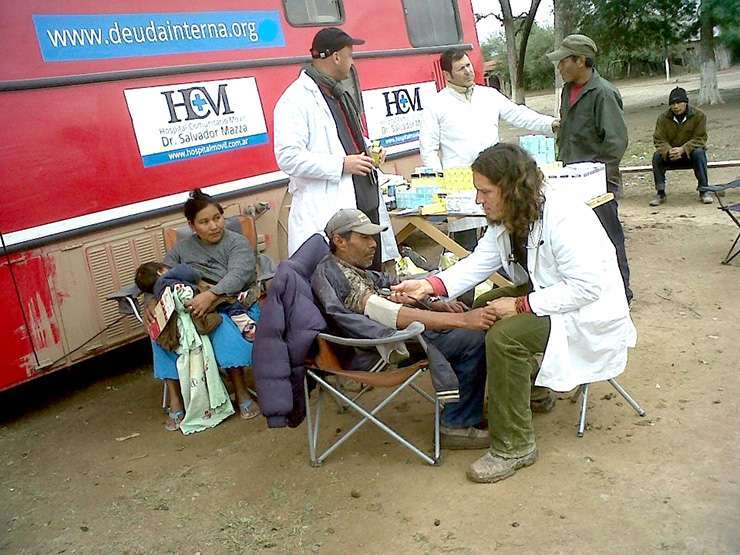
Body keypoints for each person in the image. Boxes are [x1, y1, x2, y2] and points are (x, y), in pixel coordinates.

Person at [392, 144, 636, 483]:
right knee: (482, 309)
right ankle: (532, 392)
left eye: (484, 191)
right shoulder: (511, 215)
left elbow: (587, 289)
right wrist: (429, 286)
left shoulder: (565, 217)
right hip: (550, 295)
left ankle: (515, 446)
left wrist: (521, 305)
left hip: (586, 311)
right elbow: (480, 262)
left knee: (505, 337)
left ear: (511, 187)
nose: (479, 200)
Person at [312, 208, 492, 449]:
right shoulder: (341, 277)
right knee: (472, 338)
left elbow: (388, 285)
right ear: (339, 240)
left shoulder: (343, 265)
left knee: (463, 319)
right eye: (364, 237)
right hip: (379, 346)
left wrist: (433, 301)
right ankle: (456, 424)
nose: (373, 243)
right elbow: (392, 315)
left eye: (372, 236)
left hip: (388, 334)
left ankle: (466, 405)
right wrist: (463, 321)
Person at [273, 27, 399, 269]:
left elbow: (344, 138)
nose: (352, 63)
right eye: (350, 56)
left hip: (365, 205)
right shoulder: (295, 100)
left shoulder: (337, 94)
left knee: (372, 275)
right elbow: (287, 157)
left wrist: (369, 150)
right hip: (332, 211)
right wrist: (342, 164)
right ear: (336, 57)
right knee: (346, 285)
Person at [145, 189, 261, 430]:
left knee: (222, 328)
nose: (214, 226)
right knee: (162, 334)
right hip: (190, 305)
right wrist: (150, 301)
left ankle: (240, 390)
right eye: (204, 222)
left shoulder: (236, 243)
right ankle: (176, 401)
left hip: (233, 303)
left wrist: (211, 295)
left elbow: (239, 275)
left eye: (217, 218)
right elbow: (160, 275)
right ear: (192, 225)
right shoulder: (183, 248)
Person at [420, 48, 558, 250]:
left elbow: (519, 115)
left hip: (496, 180)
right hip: (460, 187)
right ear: (447, 75)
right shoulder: (436, 104)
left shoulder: (489, 96)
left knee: (503, 239)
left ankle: (503, 281)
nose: (468, 71)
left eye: (468, 65)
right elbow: (428, 149)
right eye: (461, 69)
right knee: (464, 247)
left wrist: (550, 124)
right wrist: (441, 186)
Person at [547, 34, 632, 303]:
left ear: (581, 60)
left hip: (598, 183)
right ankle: (591, 292)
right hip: (569, 181)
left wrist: (599, 179)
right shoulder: (566, 91)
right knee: (578, 240)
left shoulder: (603, 93)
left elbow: (616, 142)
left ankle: (623, 293)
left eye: (563, 61)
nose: (559, 67)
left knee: (609, 236)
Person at [650, 86, 711, 206]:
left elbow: (700, 138)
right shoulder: (662, 118)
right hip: (671, 156)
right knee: (657, 156)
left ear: (686, 102)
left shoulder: (699, 116)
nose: (675, 106)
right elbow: (658, 139)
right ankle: (660, 192)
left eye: (678, 103)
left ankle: (704, 190)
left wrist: (684, 149)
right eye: (672, 103)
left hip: (690, 155)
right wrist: (668, 151)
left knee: (699, 153)